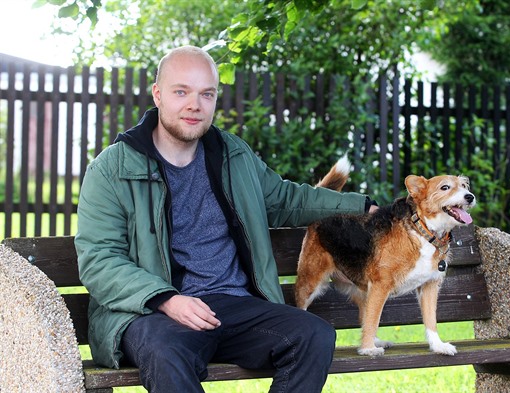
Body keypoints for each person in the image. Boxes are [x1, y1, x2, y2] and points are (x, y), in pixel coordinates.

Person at [75, 45, 378, 393]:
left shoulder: (233, 154)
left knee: (314, 334)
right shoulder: (112, 169)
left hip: (234, 308)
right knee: (165, 349)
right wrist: (166, 299)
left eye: (207, 94)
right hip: (151, 313)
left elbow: (285, 199)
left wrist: (363, 206)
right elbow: (100, 260)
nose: (195, 105)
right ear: (158, 94)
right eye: (181, 91)